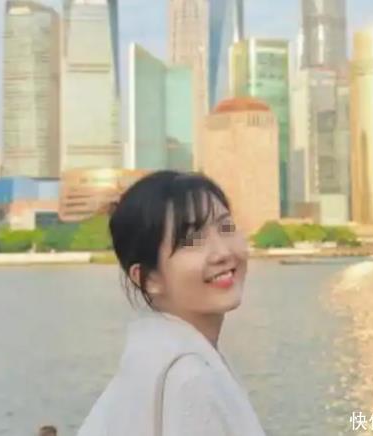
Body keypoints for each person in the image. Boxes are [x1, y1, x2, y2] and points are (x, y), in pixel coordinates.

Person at [76, 170, 266, 436]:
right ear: (148, 278)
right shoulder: (189, 377)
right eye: (192, 240)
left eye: (226, 228)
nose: (223, 252)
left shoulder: (150, 359)